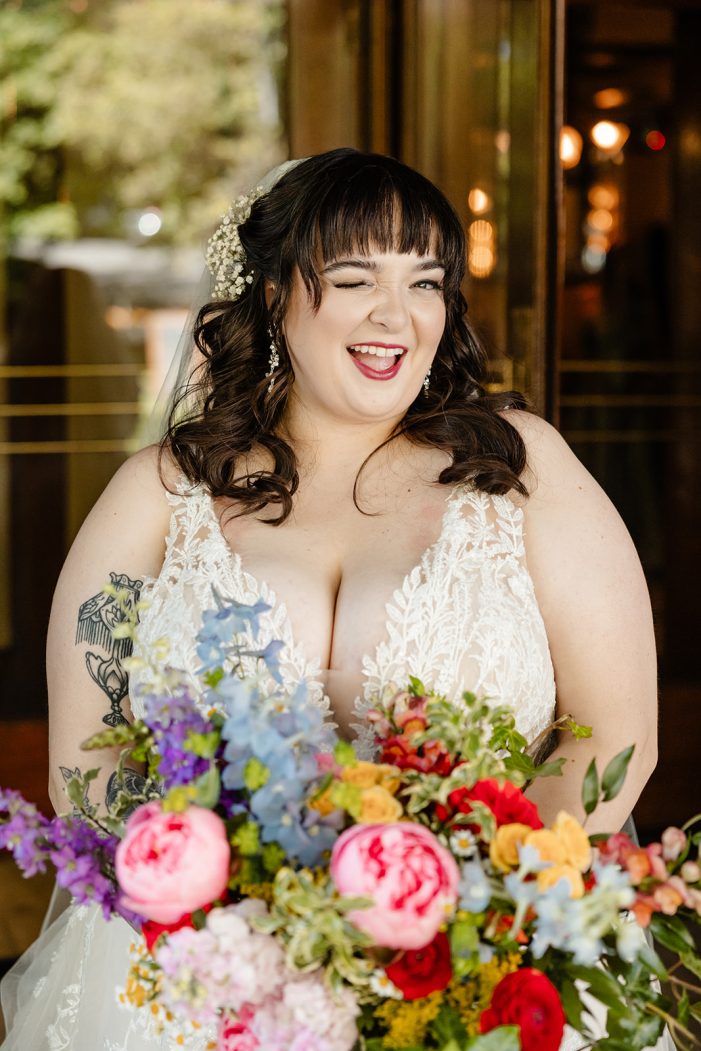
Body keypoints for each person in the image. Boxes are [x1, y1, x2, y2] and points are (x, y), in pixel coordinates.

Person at [0, 149, 659, 1049]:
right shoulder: (161, 492)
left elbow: (614, 728)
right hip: (193, 981)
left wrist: (489, 904)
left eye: (424, 282)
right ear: (273, 295)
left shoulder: (520, 469)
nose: (396, 315)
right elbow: (83, 767)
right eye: (354, 279)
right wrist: (235, 919)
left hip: (482, 963)